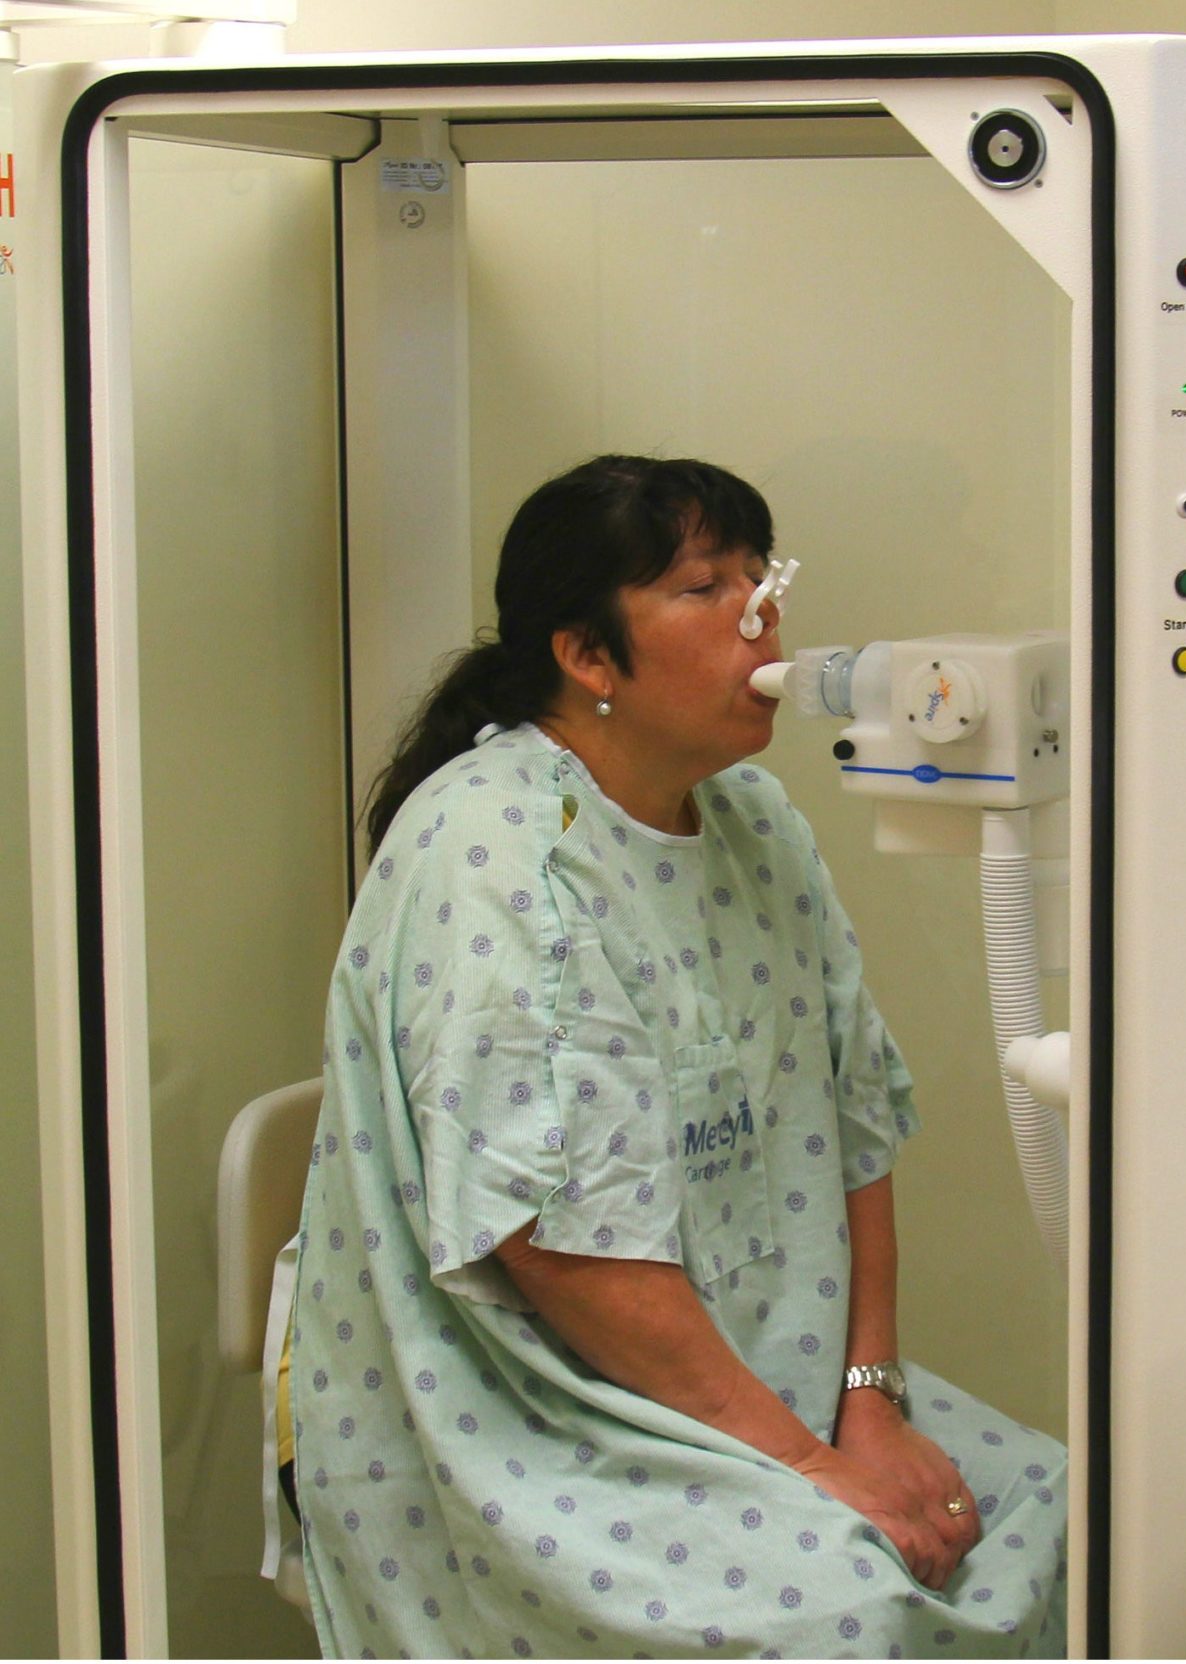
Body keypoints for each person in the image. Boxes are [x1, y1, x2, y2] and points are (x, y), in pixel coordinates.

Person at [290, 455, 1066, 1658]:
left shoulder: (756, 820)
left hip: (773, 1381)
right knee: (856, 1616)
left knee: (1056, 1509)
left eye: (763, 575)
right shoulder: (500, 854)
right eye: (706, 587)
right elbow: (557, 1247)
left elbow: (851, 1122)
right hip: (539, 1413)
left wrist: (873, 1402)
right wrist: (812, 1466)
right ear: (588, 657)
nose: (762, 613)